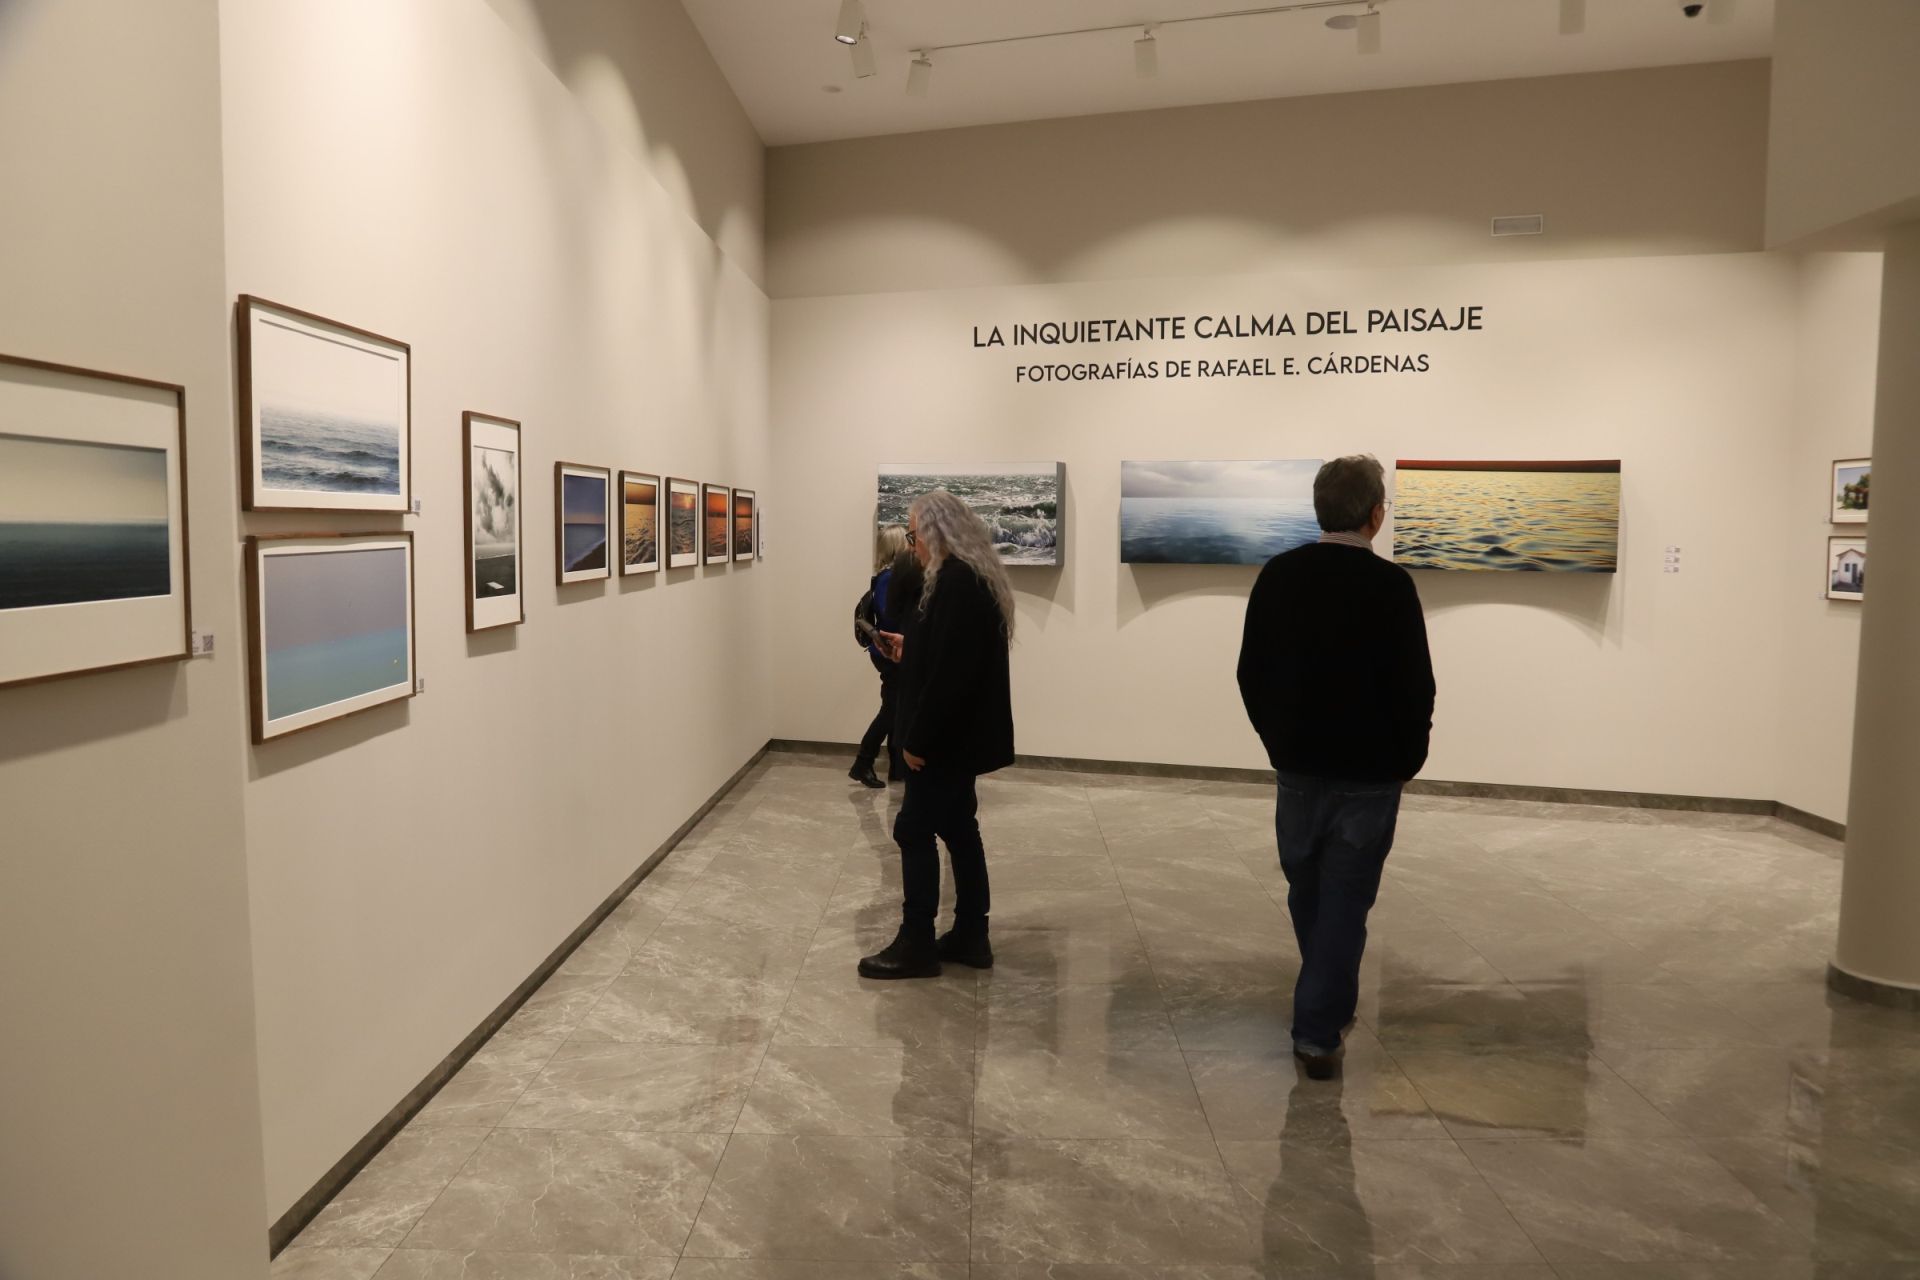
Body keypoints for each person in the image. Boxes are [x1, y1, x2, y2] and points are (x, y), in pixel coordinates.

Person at [1236, 454, 1435, 1079]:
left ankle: (1326, 997)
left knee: (1310, 887)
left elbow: (1251, 673)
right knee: (1342, 899)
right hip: (1369, 775)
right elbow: (1415, 686)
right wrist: (1408, 757)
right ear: (1376, 516)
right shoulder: (1391, 587)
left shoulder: (1279, 576)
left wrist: (1278, 742)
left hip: (1299, 769)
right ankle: (1318, 1030)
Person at [861, 489, 1016, 979]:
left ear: (935, 533)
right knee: (958, 828)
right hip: (960, 738)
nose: (912, 546)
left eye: (913, 535)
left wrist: (916, 742)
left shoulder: (957, 583)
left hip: (944, 741)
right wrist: (911, 647)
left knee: (913, 829)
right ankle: (972, 933)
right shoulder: (966, 578)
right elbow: (947, 654)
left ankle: (917, 944)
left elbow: (951, 677)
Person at [850, 525, 909, 789]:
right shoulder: (889, 578)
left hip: (892, 650)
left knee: (896, 708)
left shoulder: (891, 576)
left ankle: (896, 766)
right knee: (892, 709)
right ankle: (863, 762)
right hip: (888, 652)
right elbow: (891, 615)